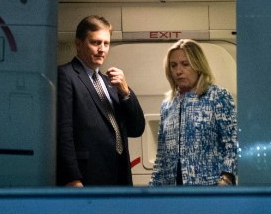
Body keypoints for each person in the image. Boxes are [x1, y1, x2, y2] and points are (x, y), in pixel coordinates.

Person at [57, 15, 146, 186]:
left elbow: (136, 128)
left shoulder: (110, 83)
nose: (102, 49)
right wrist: (72, 178)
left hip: (119, 174)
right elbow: (63, 132)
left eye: (106, 43)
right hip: (87, 175)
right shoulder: (66, 75)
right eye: (96, 43)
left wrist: (126, 92)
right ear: (78, 43)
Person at [149, 39, 238, 186]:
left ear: (198, 66)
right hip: (173, 191)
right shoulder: (168, 105)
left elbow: (233, 144)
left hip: (211, 190)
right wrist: (150, 193)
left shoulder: (217, 96)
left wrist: (225, 179)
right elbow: (161, 158)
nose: (178, 71)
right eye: (173, 65)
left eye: (185, 64)